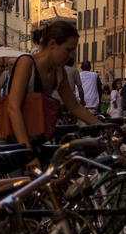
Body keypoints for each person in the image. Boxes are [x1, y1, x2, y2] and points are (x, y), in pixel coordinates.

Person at [6, 21, 103, 158]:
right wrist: (26, 151)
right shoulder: (26, 63)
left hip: (35, 138)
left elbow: (74, 106)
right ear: (52, 44)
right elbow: (13, 107)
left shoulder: (59, 72)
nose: (71, 56)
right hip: (13, 141)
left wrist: (103, 127)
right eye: (68, 50)